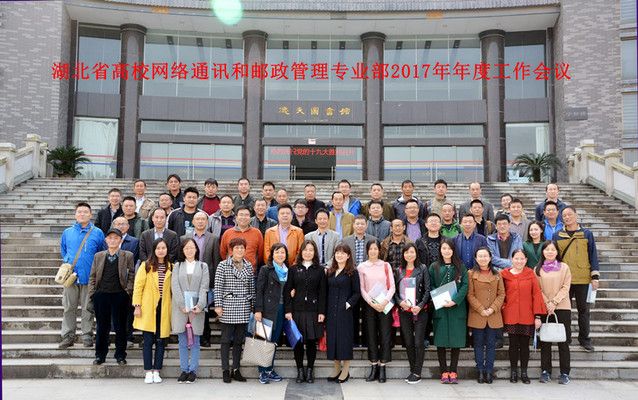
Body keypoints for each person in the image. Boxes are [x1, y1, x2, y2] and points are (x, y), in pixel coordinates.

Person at [59, 202, 106, 349]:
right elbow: (64, 250)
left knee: (88, 308)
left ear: (90, 215)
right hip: (70, 277)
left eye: (85, 212)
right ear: (75, 214)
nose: (82, 214)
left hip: (89, 276)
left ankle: (87, 335)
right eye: (79, 212)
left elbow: (101, 252)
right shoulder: (67, 232)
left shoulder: (98, 232)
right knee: (68, 307)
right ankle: (68, 336)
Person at [555, 206, 599, 352]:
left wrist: (595, 276)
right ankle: (565, 338)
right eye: (564, 215)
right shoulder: (557, 235)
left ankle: (584, 339)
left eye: (570, 214)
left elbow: (593, 255)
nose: (567, 217)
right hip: (564, 280)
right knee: (564, 311)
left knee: (584, 310)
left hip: (583, 279)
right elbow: (554, 258)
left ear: (576, 215)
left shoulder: (587, 234)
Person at [88, 228, 134, 365]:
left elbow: (132, 274)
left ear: (120, 240)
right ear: (106, 240)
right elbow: (92, 276)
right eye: (110, 238)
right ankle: (100, 355)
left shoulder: (127, 255)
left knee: (121, 327)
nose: (113, 240)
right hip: (102, 294)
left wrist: (128, 291)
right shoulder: (99, 256)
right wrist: (92, 293)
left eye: (116, 238)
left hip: (120, 295)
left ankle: (120, 355)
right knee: (102, 327)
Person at [284, 240, 327, 384]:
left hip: (313, 311)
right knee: (298, 342)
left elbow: (322, 293)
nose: (308, 253)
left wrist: (322, 312)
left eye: (311, 250)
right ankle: (300, 371)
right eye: (305, 250)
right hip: (297, 310)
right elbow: (287, 291)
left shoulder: (320, 270)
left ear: (315, 252)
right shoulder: (293, 269)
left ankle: (309, 370)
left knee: (311, 342)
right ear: (301, 252)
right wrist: (288, 310)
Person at [501, 249, 546, 384]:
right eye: (516, 258)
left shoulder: (530, 274)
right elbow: (501, 293)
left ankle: (524, 372)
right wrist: (504, 307)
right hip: (511, 314)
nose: (519, 261)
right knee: (513, 344)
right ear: (512, 259)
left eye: (522, 259)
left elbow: (536, 295)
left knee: (525, 345)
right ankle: (514, 371)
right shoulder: (504, 274)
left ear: (526, 260)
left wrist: (537, 316)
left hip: (527, 315)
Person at [214, 238, 255, 384]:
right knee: (225, 340)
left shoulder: (248, 266)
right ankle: (225, 370)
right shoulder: (223, 265)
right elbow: (218, 287)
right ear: (231, 250)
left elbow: (251, 287)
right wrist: (218, 305)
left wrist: (253, 306)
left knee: (238, 341)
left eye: (242, 248)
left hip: (243, 306)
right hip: (228, 306)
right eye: (236, 248)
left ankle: (236, 369)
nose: (239, 250)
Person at [133, 238, 173, 384]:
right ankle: (148, 371)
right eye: (158, 248)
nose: (161, 251)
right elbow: (138, 286)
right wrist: (137, 306)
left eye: (163, 248)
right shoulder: (146, 265)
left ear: (167, 250)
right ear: (154, 250)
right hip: (148, 306)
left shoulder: (171, 267)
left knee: (161, 341)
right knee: (148, 341)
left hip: (164, 306)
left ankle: (157, 370)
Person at [429, 238, 468, 384]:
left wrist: (455, 300)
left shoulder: (460, 267)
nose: (446, 251)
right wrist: (440, 299)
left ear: (453, 250)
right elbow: (430, 285)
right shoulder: (434, 266)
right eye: (444, 248)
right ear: (440, 250)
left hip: (457, 308)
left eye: (449, 248)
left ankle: (453, 370)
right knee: (441, 340)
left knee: (456, 341)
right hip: (440, 308)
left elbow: (465, 285)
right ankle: (444, 371)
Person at [171, 238, 209, 383]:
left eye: (192, 247)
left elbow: (204, 287)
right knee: (182, 340)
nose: (189, 250)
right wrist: (182, 304)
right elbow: (175, 286)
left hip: (196, 308)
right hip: (180, 308)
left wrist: (200, 305)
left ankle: (193, 370)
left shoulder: (202, 266)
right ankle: (184, 369)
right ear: (183, 250)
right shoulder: (178, 266)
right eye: (186, 248)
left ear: (196, 249)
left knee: (195, 340)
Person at [358, 239, 395, 383]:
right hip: (369, 305)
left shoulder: (386, 265)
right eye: (371, 249)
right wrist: (371, 303)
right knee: (371, 335)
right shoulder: (362, 267)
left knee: (385, 335)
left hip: (384, 304)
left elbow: (392, 286)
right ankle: (374, 365)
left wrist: (385, 301)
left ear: (379, 250)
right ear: (367, 251)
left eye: (375, 248)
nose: (373, 251)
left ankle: (383, 366)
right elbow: (362, 288)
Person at [181, 211, 220, 348]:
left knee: (204, 309)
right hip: (189, 278)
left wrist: (213, 281)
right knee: (190, 309)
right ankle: (190, 337)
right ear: (193, 221)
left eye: (203, 219)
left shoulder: (214, 238)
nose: (200, 221)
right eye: (197, 219)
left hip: (205, 279)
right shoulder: (184, 238)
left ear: (207, 222)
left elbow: (216, 261)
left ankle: (205, 337)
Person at [535, 240, 572, 385]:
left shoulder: (564, 267)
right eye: (547, 249)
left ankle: (565, 373)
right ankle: (545, 371)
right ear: (542, 252)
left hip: (562, 307)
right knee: (545, 341)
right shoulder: (537, 269)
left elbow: (566, 287)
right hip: (544, 308)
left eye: (552, 249)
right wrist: (547, 303)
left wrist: (554, 302)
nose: (550, 252)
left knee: (563, 341)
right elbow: (537, 289)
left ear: (557, 252)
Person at [467, 247, 505, 384]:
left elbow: (501, 294)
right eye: (480, 256)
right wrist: (481, 309)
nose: (483, 258)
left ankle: (489, 371)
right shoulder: (471, 273)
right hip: (478, 314)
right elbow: (470, 294)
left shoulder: (497, 274)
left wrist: (492, 309)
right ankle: (480, 371)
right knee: (478, 344)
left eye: (485, 256)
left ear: (490, 258)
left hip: (493, 315)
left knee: (490, 345)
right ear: (476, 258)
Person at [393, 243, 430, 384]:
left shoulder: (423, 268)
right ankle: (413, 370)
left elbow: (427, 290)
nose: (409, 255)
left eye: (412, 252)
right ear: (403, 254)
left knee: (418, 341)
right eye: (407, 252)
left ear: (416, 254)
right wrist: (400, 302)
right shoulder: (399, 270)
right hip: (405, 311)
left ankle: (417, 372)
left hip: (420, 310)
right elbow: (395, 292)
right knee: (408, 342)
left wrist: (420, 306)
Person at [255, 243, 289, 384]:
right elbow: (259, 290)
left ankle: (269, 369)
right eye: (277, 252)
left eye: (282, 252)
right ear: (272, 254)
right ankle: (262, 371)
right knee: (263, 341)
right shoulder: (265, 269)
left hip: (281, 309)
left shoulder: (288, 271)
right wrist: (258, 310)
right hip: (267, 309)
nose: (280, 255)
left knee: (273, 341)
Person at [325, 244, 360, 383]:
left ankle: (345, 370)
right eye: (337, 253)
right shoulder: (330, 271)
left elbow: (357, 293)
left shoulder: (352, 272)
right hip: (331, 311)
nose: (339, 255)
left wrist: (348, 304)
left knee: (344, 340)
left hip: (345, 312)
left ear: (348, 256)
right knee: (333, 339)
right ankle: (336, 368)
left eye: (343, 253)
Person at [342, 215, 377, 347]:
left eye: (362, 224)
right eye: (357, 224)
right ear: (353, 225)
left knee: (369, 311)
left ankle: (368, 341)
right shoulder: (345, 241)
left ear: (366, 225)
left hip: (369, 279)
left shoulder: (373, 240)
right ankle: (354, 340)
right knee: (354, 310)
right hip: (351, 278)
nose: (360, 226)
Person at [220, 206, 264, 270]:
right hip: (230, 271)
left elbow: (260, 254)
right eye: (241, 215)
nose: (243, 217)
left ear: (250, 218)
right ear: (236, 217)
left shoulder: (257, 233)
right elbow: (223, 253)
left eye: (246, 215)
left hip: (251, 271)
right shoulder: (227, 233)